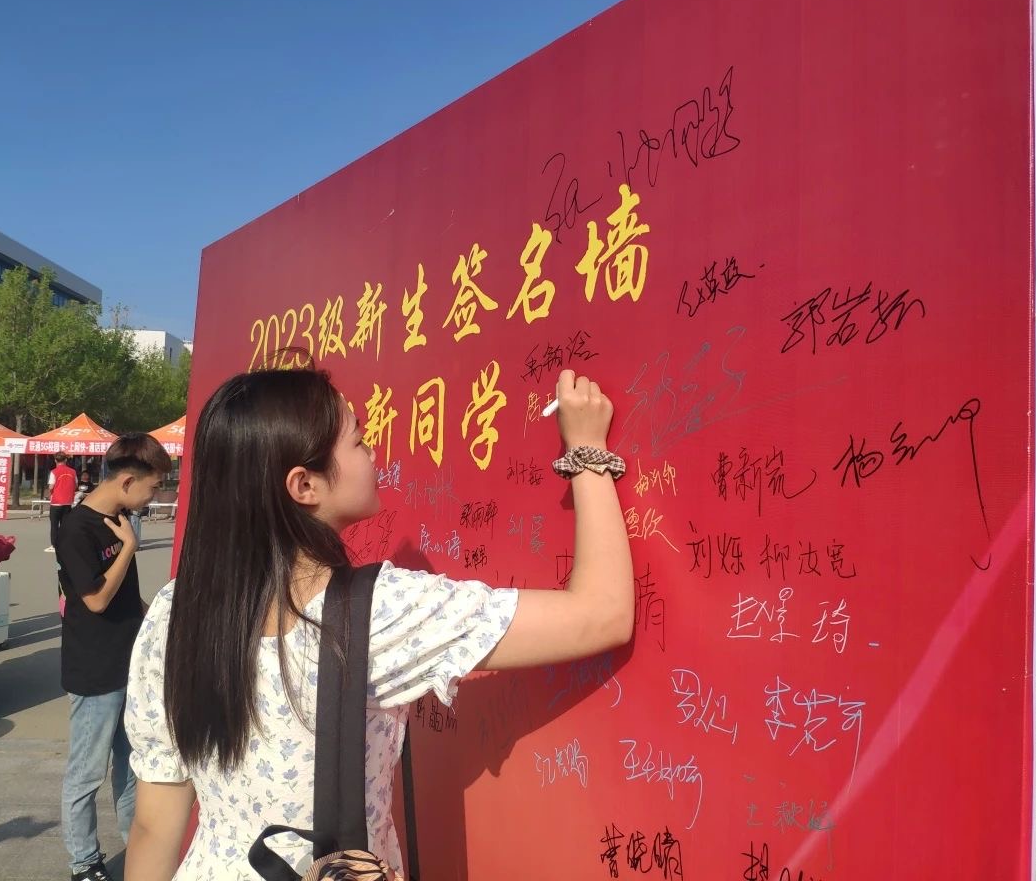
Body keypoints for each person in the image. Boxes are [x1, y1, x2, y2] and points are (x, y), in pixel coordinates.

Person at [124, 366, 633, 879]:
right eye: (359, 442)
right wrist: (587, 451)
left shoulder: (175, 611)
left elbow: (153, 826)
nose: (374, 454)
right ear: (304, 485)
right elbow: (602, 614)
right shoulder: (374, 613)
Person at [57, 433, 172, 881]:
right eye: (152, 487)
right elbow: (98, 600)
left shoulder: (121, 519)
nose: (153, 497)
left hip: (130, 666)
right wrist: (127, 548)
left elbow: (126, 596)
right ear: (126, 481)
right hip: (94, 670)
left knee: (131, 767)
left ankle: (138, 848)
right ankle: (84, 862)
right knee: (86, 774)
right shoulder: (77, 529)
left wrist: (158, 622)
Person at [46, 453, 79, 554]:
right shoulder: (73, 471)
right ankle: (65, 544)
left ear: (55, 460)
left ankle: (54, 545)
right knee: (65, 525)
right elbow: (76, 485)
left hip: (56, 502)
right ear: (66, 460)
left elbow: (51, 486)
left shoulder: (54, 472)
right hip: (68, 502)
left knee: (54, 525)